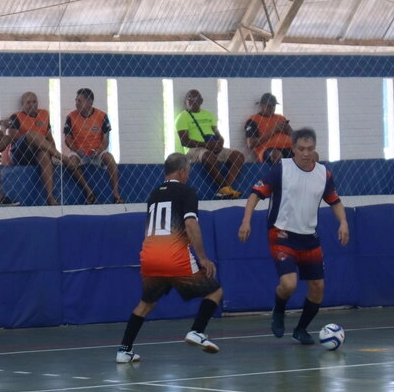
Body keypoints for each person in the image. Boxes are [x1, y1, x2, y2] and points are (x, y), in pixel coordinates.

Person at [237, 128, 349, 344]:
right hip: (281, 234)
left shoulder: (323, 174)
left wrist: (343, 222)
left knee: (318, 288)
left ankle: (301, 329)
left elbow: (334, 201)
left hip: (309, 237)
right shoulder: (281, 169)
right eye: (301, 149)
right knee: (289, 284)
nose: (306, 153)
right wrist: (246, 221)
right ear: (293, 149)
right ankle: (278, 310)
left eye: (309, 149)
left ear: (314, 149)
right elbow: (255, 194)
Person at [116, 152, 223, 363]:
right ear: (183, 172)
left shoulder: (154, 194)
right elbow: (191, 224)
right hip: (174, 256)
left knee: (145, 304)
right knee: (215, 292)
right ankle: (197, 331)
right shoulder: (187, 191)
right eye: (188, 172)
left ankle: (124, 350)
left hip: (150, 256)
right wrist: (203, 258)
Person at [7, 91, 94, 205]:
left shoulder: (44, 115)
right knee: (31, 135)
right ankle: (62, 157)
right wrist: (35, 140)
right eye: (28, 102)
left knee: (44, 154)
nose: (32, 104)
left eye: (34, 101)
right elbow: (13, 138)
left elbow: (50, 138)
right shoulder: (15, 117)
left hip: (38, 152)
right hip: (20, 153)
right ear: (22, 104)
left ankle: (50, 197)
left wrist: (49, 150)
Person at [176, 89, 243, 199]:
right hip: (195, 150)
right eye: (190, 99)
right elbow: (184, 141)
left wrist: (220, 142)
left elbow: (217, 133)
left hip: (213, 146)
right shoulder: (182, 117)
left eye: (196, 99)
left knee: (238, 156)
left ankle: (226, 189)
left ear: (201, 101)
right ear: (185, 102)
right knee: (208, 156)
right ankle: (225, 188)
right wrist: (206, 145)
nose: (193, 101)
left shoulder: (209, 115)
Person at [62, 87, 125, 204]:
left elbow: (106, 140)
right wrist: (77, 150)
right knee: (71, 163)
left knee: (110, 159)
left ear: (89, 101)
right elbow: (67, 139)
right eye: (76, 100)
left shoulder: (102, 116)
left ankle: (116, 196)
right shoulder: (70, 117)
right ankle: (89, 191)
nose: (76, 103)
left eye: (79, 100)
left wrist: (99, 150)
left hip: (97, 151)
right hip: (79, 152)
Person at [244, 93, 293, 165]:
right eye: (269, 105)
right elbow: (251, 143)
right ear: (262, 105)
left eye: (274, 105)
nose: (272, 108)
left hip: (289, 147)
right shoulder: (253, 120)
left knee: (310, 154)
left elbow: (295, 137)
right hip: (269, 150)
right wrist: (273, 131)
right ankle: (281, 174)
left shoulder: (281, 118)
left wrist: (289, 130)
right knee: (276, 155)